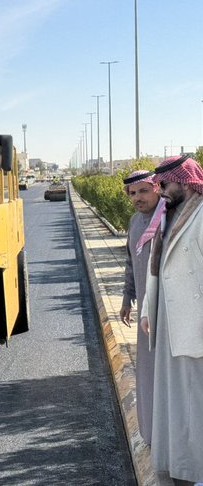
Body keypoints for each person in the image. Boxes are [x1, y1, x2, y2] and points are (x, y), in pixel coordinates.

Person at [141, 155, 203, 485]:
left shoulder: (201, 216)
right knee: (175, 403)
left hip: (194, 325)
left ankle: (195, 470)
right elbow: (158, 268)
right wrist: (148, 309)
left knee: (193, 403)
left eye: (164, 184)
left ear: (184, 181)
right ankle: (177, 466)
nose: (160, 190)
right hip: (169, 324)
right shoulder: (168, 215)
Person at [119, 170, 164, 446]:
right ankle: (151, 432)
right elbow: (129, 262)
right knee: (147, 375)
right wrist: (127, 298)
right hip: (145, 316)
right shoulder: (135, 222)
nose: (138, 198)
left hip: (167, 313)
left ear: (157, 188)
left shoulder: (167, 220)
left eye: (144, 191)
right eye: (133, 193)